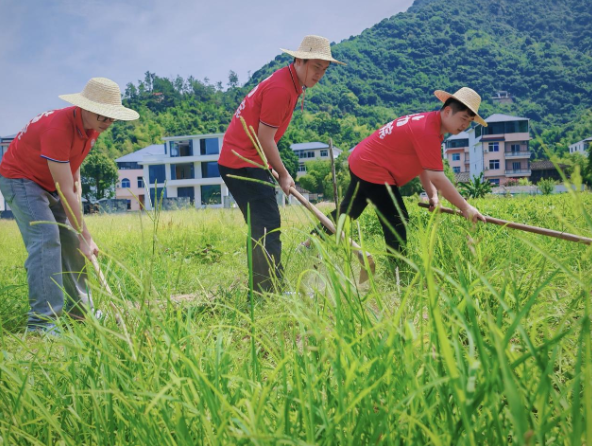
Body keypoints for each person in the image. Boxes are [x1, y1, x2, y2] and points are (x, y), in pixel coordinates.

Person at [0, 77, 139, 334]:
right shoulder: (58, 128)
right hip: (21, 179)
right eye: (103, 116)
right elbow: (64, 189)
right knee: (46, 239)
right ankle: (42, 323)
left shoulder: (91, 129)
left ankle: (81, 313)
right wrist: (87, 236)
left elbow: (72, 177)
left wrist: (80, 236)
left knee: (73, 242)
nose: (109, 123)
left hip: (52, 181)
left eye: (112, 117)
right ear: (85, 107)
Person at [302, 87, 488, 268]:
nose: (465, 125)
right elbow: (438, 177)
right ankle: (398, 270)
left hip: (362, 160)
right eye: (463, 118)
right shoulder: (427, 131)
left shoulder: (429, 124)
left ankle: (308, 244)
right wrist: (465, 207)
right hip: (373, 168)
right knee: (397, 219)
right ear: (447, 111)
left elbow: (424, 166)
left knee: (349, 212)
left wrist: (432, 196)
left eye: (469, 121)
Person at [218, 35, 345, 293]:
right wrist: (284, 174)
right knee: (266, 224)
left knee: (265, 224)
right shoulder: (281, 89)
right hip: (241, 162)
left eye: (324, 69)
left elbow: (264, 137)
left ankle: (267, 289)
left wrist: (273, 168)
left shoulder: (289, 83)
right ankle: (267, 293)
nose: (320, 73)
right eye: (315, 66)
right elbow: (265, 137)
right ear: (299, 60)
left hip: (250, 159)